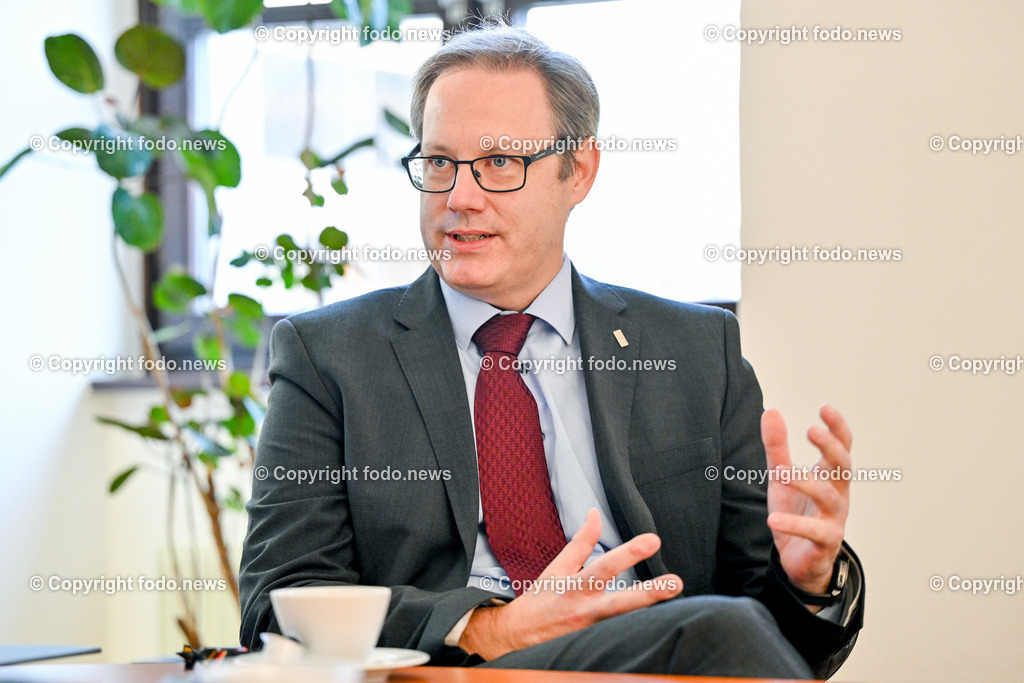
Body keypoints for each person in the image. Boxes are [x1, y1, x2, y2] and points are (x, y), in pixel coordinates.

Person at [239, 21, 864, 680]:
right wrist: (489, 626)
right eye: (439, 162)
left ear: (579, 170)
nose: (460, 197)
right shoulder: (328, 355)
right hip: (454, 668)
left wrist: (804, 580)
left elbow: (772, 643)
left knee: (728, 624)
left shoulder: (696, 351)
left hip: (655, 657)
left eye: (501, 163)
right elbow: (277, 604)